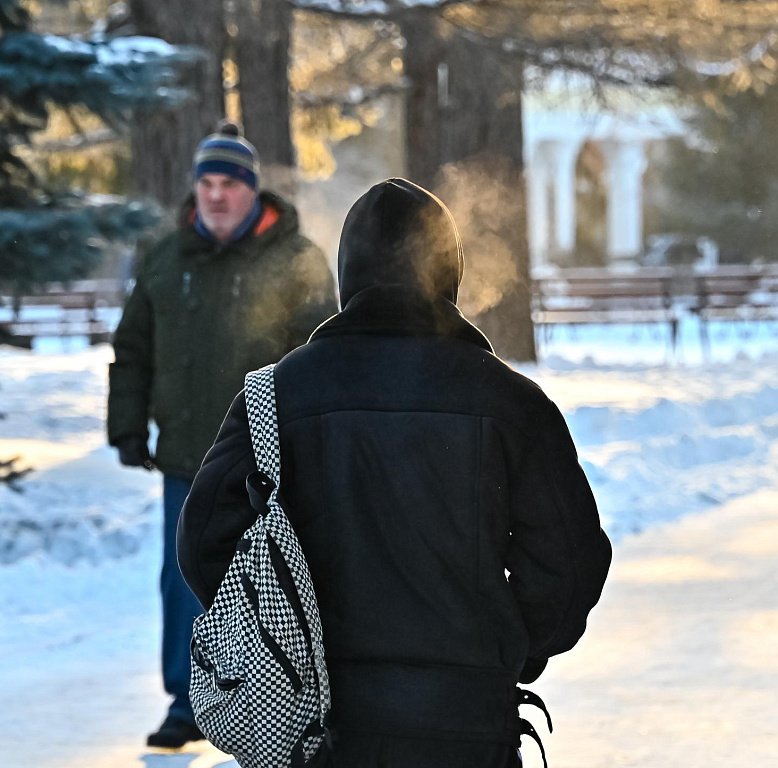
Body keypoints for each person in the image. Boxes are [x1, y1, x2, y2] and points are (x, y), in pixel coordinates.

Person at [178, 178, 612, 767]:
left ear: (346, 275)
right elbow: (572, 561)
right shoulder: (513, 403)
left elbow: (204, 543)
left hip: (320, 727)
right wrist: (505, 651)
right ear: (449, 273)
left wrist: (280, 642)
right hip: (467, 724)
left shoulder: (276, 396)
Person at [107, 122, 339, 749]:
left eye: (228, 185)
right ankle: (189, 703)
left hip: (273, 458)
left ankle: (292, 695)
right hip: (188, 456)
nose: (215, 196)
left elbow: (324, 353)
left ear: (251, 191)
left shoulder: (295, 258)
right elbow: (132, 348)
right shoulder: (165, 257)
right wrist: (126, 423)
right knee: (183, 577)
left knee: (280, 580)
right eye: (205, 183)